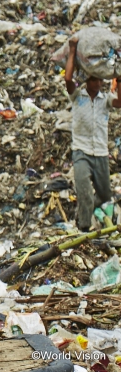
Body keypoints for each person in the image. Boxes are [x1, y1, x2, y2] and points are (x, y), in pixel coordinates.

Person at [64, 37, 121, 231]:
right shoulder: (77, 96)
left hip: (101, 154)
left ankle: (87, 211)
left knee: (105, 196)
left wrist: (119, 78)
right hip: (81, 152)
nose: (97, 83)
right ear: (87, 80)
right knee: (85, 192)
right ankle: (84, 228)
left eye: (99, 80)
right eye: (94, 79)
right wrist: (72, 50)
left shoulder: (105, 100)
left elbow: (120, 102)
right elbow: (67, 79)